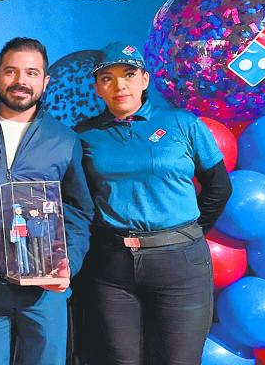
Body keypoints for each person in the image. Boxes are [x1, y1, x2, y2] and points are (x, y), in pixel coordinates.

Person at [74, 42, 232, 364]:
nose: (120, 86)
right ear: (97, 88)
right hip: (112, 268)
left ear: (144, 80)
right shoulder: (84, 136)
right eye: (108, 78)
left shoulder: (181, 123)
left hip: (180, 265)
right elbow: (79, 201)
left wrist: (187, 234)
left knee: (178, 359)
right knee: (119, 359)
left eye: (129, 75)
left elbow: (219, 186)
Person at [0, 37, 94, 364]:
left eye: (31, 73)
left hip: (44, 288)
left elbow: (78, 211)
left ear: (45, 81)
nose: (21, 81)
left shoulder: (64, 139)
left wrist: (69, 264)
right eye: (11, 71)